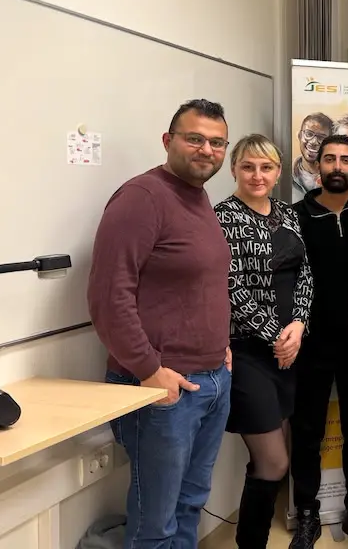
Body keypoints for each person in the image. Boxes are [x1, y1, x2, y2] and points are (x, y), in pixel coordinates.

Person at [88, 99, 234, 549]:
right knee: (155, 524)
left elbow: (200, 283)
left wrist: (221, 346)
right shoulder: (142, 198)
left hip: (210, 380)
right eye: (195, 139)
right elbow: (108, 297)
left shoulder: (198, 196)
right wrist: (150, 371)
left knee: (190, 503)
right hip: (161, 387)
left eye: (217, 143)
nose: (207, 150)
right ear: (168, 141)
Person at [212, 133, 313, 547]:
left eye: (266, 167)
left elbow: (305, 273)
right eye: (248, 166)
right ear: (233, 169)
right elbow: (228, 287)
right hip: (249, 353)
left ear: (278, 172)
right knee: (274, 461)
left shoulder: (288, 213)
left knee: (269, 460)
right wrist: (276, 336)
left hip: (289, 351)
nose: (257, 175)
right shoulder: (221, 218)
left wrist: (299, 324)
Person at [290, 134, 348, 549]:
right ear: (317, 165)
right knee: (307, 431)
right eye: (330, 159)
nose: (337, 166)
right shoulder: (296, 215)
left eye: (346, 159)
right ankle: (307, 515)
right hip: (310, 341)